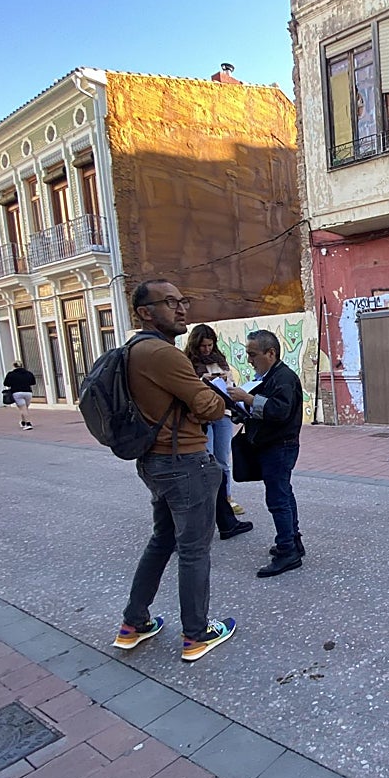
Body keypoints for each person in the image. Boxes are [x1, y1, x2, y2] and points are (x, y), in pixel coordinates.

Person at [112, 279, 258, 662]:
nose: (181, 309)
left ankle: (133, 624)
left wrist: (195, 397)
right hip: (184, 461)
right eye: (171, 302)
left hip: (156, 460)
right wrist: (203, 396)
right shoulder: (163, 354)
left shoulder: (133, 351)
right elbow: (211, 408)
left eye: (183, 300)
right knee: (194, 550)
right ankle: (196, 634)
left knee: (162, 540)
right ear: (145, 312)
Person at [242, 329, 305, 578]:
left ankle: (287, 550)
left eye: (253, 354)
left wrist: (247, 399)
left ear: (271, 353)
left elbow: (279, 411)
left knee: (278, 498)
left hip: (280, 445)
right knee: (284, 494)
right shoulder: (269, 375)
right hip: (275, 444)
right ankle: (292, 541)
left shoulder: (284, 378)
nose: (249, 360)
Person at [185, 324, 244, 516]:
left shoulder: (220, 360)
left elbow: (231, 384)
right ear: (195, 345)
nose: (207, 349)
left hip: (223, 413)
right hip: (203, 416)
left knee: (223, 459)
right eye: (203, 346)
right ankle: (209, 500)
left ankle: (227, 497)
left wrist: (226, 381)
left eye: (210, 345)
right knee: (207, 458)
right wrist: (204, 379)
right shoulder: (188, 362)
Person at [3, 362, 36, 429]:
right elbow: (33, 382)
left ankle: (28, 423)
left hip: (17, 393)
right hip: (28, 392)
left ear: (14, 366)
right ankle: (23, 422)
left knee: (23, 408)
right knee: (24, 408)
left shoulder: (11, 374)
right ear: (22, 365)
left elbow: (6, 383)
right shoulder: (29, 373)